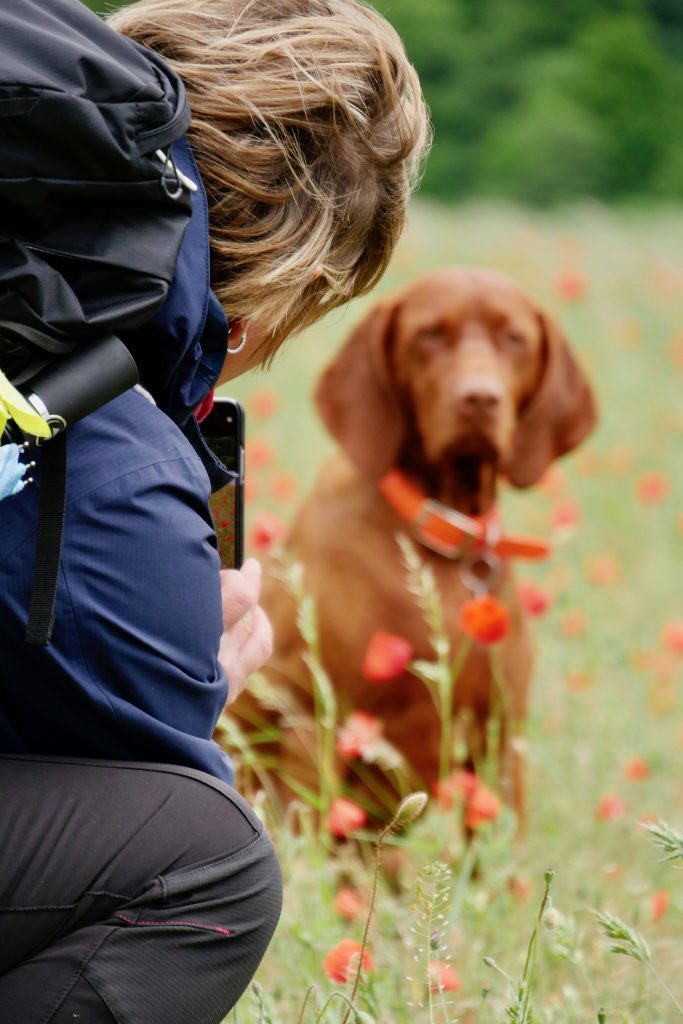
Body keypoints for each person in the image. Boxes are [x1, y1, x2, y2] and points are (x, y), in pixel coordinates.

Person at [0, 0, 430, 1020]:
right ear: (283, 290)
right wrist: (206, 683)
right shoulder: (105, 437)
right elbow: (136, 781)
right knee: (203, 864)